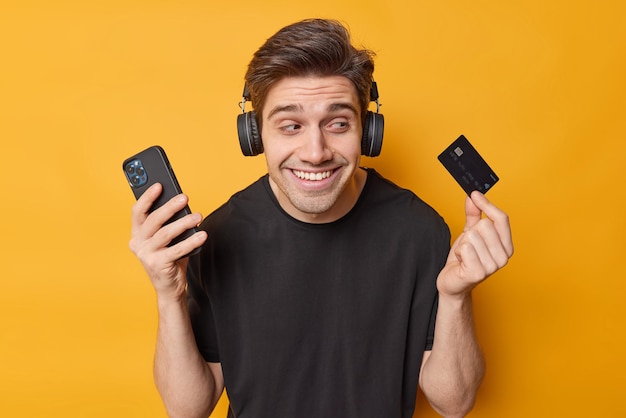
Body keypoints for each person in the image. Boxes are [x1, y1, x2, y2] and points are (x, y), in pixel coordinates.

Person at [129, 18, 513, 418]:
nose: (315, 152)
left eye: (338, 124)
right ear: (255, 134)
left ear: (368, 132)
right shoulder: (217, 236)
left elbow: (453, 404)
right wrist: (168, 295)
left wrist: (455, 296)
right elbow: (187, 409)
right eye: (291, 126)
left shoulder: (420, 230)